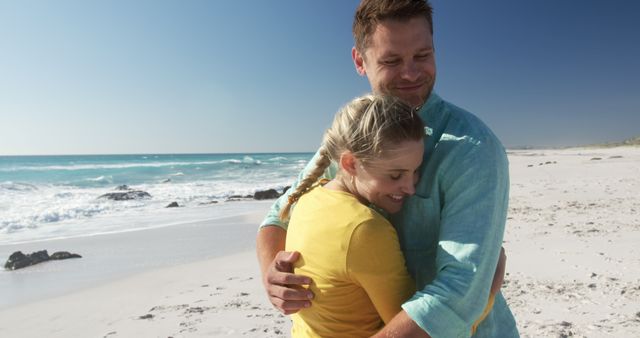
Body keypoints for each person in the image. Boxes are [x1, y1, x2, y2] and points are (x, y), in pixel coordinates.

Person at [257, 0, 519, 337]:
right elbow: (278, 217)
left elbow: (459, 293)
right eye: (392, 61)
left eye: (423, 56)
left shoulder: (472, 148)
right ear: (359, 62)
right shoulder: (356, 136)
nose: (411, 73)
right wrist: (272, 275)